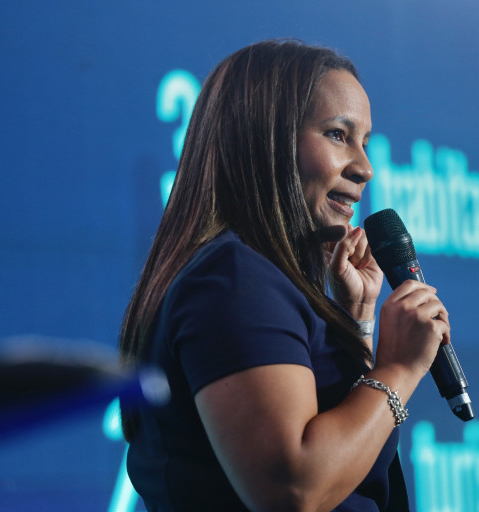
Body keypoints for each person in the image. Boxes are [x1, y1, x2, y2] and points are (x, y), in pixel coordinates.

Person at [118, 39, 450, 512]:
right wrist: (399, 369)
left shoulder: (255, 276)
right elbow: (293, 489)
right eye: (338, 135)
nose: (365, 168)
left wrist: (356, 324)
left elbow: (344, 464)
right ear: (265, 142)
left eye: (364, 142)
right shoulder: (233, 278)